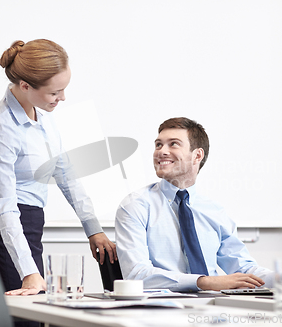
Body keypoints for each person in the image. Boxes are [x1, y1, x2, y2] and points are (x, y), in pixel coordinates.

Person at [0, 39, 116, 302]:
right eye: (55, 92)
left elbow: (65, 174)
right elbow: (4, 206)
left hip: (30, 223)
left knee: (38, 314)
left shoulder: (43, 115)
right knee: (23, 317)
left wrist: (92, 227)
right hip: (6, 228)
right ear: (25, 86)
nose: (62, 98)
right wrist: (28, 271)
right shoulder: (1, 126)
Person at [115, 117, 273, 292]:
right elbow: (137, 275)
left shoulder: (214, 211)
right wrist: (205, 282)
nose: (161, 151)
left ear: (197, 155)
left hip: (215, 306)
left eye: (173, 144)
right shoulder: (136, 205)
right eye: (158, 145)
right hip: (161, 307)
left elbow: (243, 269)